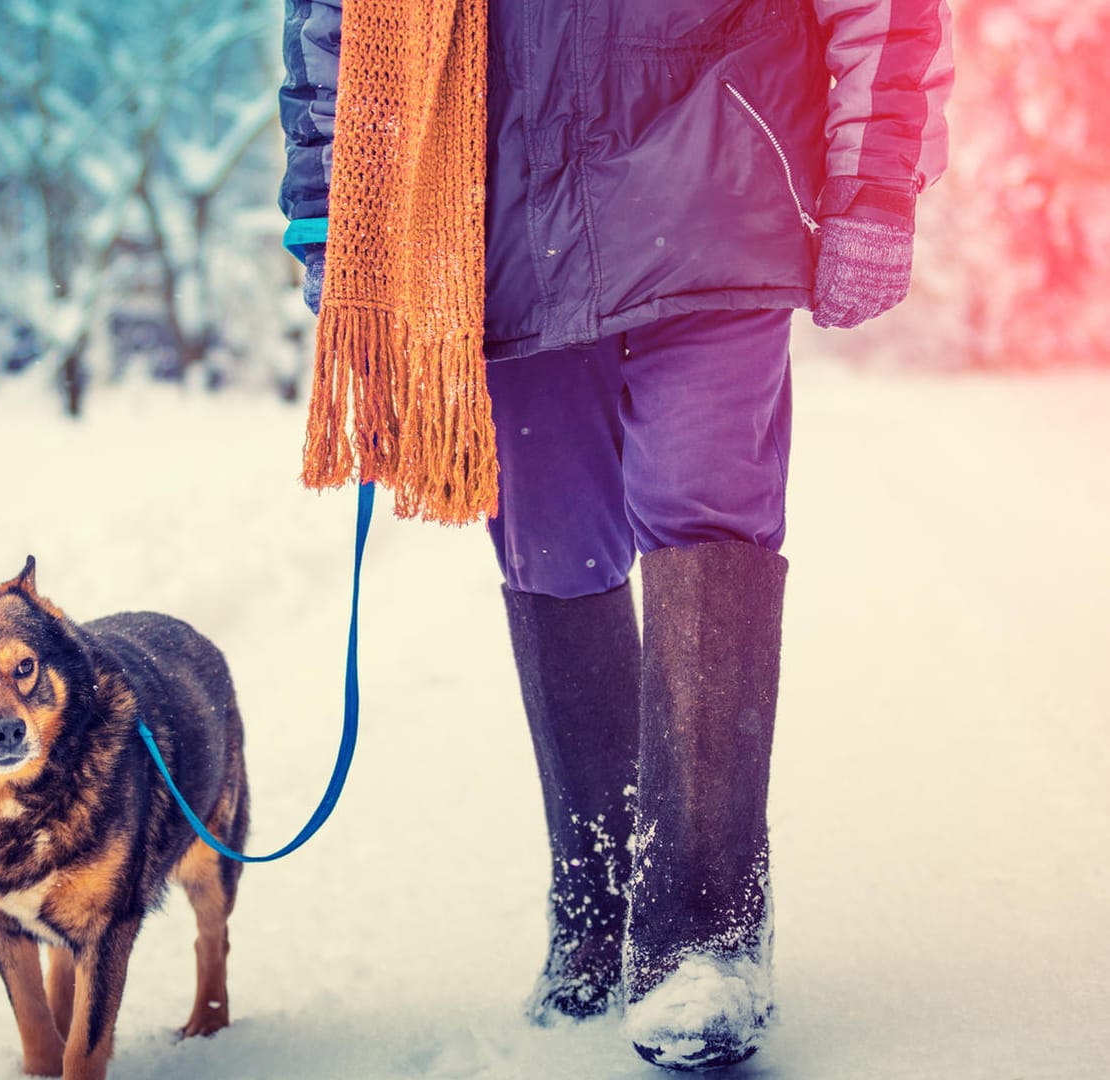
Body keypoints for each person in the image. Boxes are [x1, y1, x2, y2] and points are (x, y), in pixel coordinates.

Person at [278, 0, 952, 1070]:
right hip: (493, 220)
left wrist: (872, 183)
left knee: (706, 514)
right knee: (548, 549)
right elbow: (331, 21)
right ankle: (596, 901)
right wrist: (334, 214)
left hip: (715, 181)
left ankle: (702, 936)